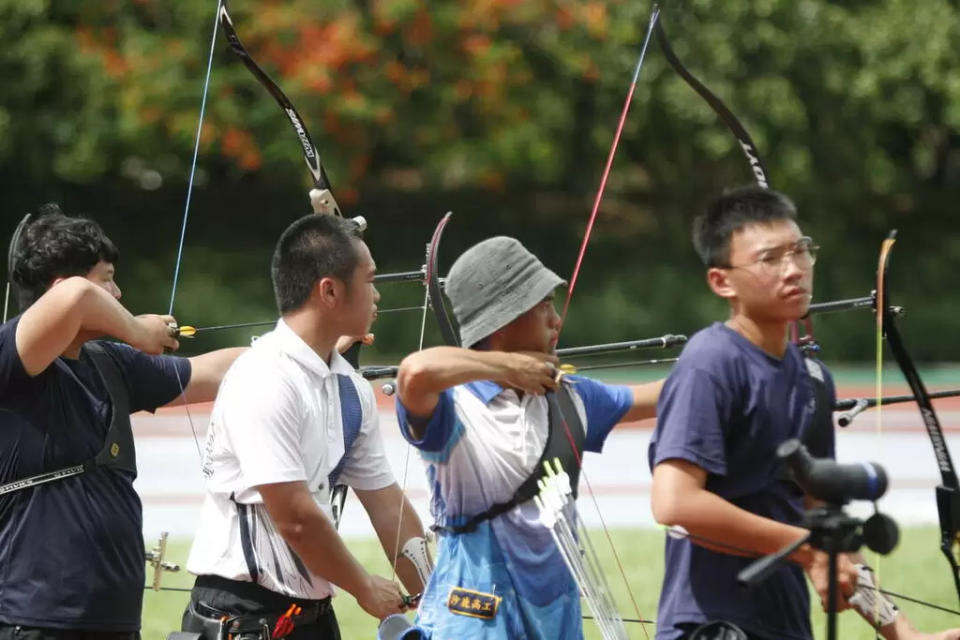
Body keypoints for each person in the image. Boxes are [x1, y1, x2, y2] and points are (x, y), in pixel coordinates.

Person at [648, 186, 960, 640]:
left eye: (801, 251)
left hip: (786, 625)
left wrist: (905, 635)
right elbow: (674, 501)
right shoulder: (711, 361)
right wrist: (806, 551)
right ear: (722, 282)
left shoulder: (812, 377)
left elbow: (824, 525)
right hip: (710, 626)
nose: (794, 269)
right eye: (770, 259)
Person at [394, 235, 664, 639]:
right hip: (475, 621)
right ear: (503, 321)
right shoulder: (452, 408)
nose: (556, 320)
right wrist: (505, 368)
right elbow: (414, 372)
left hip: (555, 617)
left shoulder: (570, 395)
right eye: (543, 307)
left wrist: (736, 354)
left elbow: (667, 395)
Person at [0, 205, 244, 640]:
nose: (117, 291)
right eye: (107, 277)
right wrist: (136, 329)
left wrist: (307, 349)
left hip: (113, 622)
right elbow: (76, 296)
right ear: (60, 284)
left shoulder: (109, 363)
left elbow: (215, 372)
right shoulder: (12, 359)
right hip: (34, 621)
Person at [182, 214, 429, 640]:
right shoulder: (262, 377)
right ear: (330, 290)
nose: (377, 294)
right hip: (240, 617)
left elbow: (388, 504)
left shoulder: (351, 390)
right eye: (369, 280)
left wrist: (438, 597)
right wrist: (364, 587)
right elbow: (294, 516)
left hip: (310, 615)